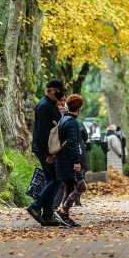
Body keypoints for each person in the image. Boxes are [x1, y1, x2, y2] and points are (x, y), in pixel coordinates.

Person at [27, 79, 69, 226]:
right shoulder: (44, 106)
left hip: (48, 149)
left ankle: (48, 215)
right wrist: (48, 154)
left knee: (52, 179)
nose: (61, 94)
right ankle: (36, 206)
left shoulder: (49, 104)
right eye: (59, 91)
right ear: (51, 90)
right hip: (46, 150)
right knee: (56, 179)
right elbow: (42, 133)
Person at [55, 94, 87, 227]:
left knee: (68, 187)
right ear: (79, 107)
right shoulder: (72, 122)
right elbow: (73, 144)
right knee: (81, 187)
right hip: (69, 160)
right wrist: (76, 162)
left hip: (61, 158)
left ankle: (64, 216)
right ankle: (63, 211)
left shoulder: (63, 119)